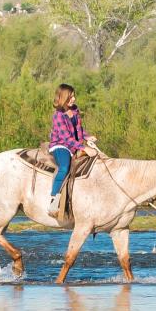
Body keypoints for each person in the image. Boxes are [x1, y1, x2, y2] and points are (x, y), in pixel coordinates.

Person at [47, 83, 98, 217]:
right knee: (64, 167)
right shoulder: (58, 115)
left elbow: (79, 129)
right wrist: (84, 147)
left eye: (74, 96)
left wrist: (87, 137)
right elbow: (66, 138)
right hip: (61, 145)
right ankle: (53, 201)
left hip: (75, 144)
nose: (74, 99)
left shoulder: (74, 110)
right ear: (63, 98)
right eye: (70, 97)